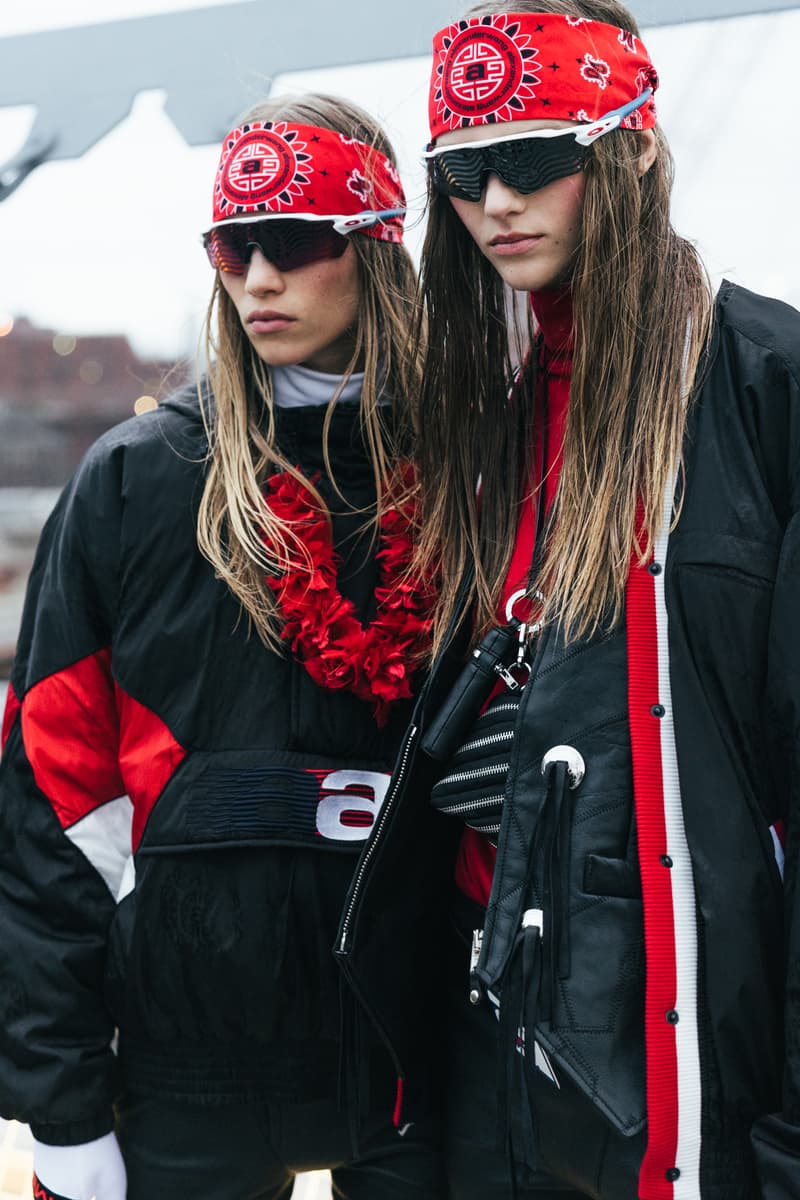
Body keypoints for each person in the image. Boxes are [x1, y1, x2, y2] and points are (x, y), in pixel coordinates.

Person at [333, 3, 800, 1198]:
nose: (495, 203)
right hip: (476, 1028)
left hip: (683, 1055)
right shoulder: (470, 421)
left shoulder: (761, 388)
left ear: (631, 147)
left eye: (534, 160)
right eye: (462, 172)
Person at [0, 92, 445, 1200]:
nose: (255, 279)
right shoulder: (137, 480)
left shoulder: (471, 477)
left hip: (427, 1058)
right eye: (231, 246)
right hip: (180, 1070)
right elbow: (50, 811)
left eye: (290, 243)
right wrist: (60, 1106)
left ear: (375, 245)